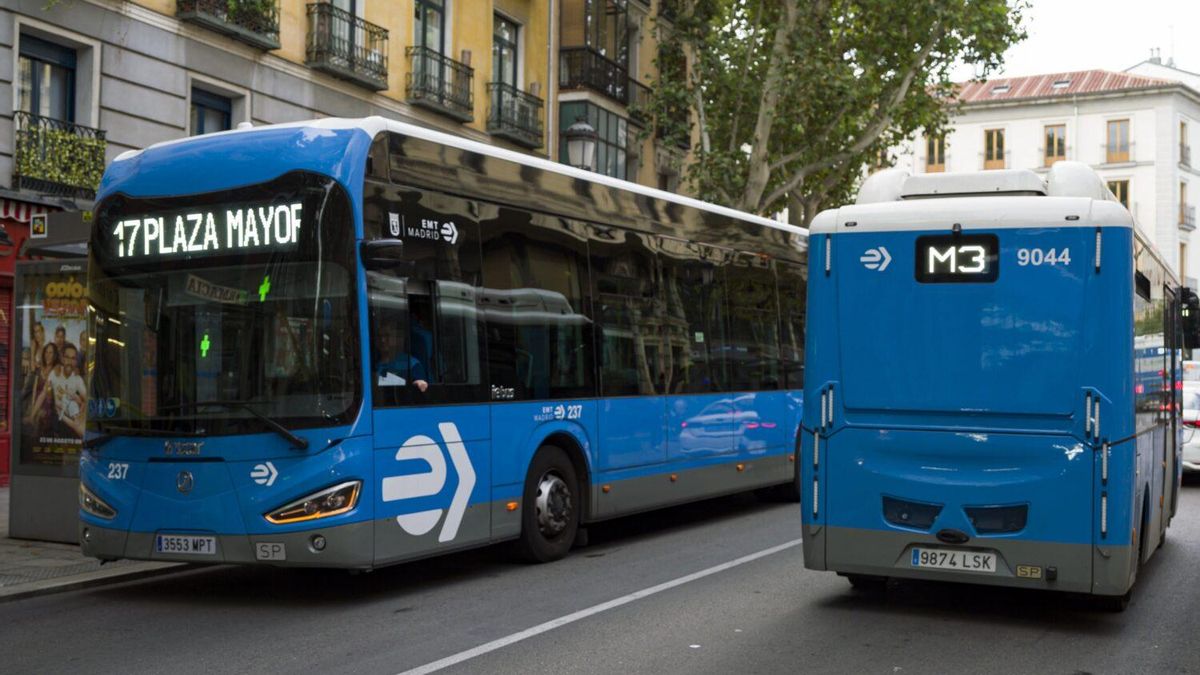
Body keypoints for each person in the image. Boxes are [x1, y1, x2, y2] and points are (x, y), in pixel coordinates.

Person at [48, 344, 87, 438]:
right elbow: (47, 394)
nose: (70, 362)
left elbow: (86, 399)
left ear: (76, 361)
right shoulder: (54, 373)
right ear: (62, 359)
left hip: (71, 419)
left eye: (73, 358)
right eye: (67, 357)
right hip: (54, 418)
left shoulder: (77, 379)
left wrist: (82, 407)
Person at [375, 325, 429, 392]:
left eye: (387, 335)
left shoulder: (411, 364)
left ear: (396, 339)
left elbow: (421, 387)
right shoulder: (371, 363)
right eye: (379, 336)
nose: (382, 340)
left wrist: (419, 383)